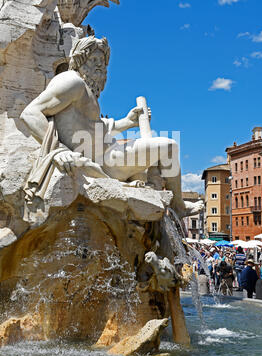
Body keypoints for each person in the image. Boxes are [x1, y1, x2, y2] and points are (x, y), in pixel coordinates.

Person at [20, 35, 203, 219]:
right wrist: (59, 150)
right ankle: (179, 207)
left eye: (103, 61)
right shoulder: (71, 82)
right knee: (169, 146)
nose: (100, 66)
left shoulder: (86, 91)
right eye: (94, 59)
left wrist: (128, 121)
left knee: (159, 156)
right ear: (80, 60)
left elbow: (96, 129)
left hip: (110, 152)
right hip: (107, 161)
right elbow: (30, 113)